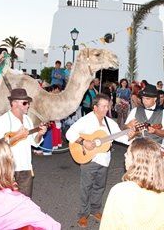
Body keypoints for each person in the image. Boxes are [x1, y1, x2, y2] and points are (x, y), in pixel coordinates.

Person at [66, 93, 134, 228]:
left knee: (99, 187)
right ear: (95, 107)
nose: (105, 109)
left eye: (107, 106)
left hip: (104, 160)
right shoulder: (85, 120)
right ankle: (83, 215)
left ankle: (95, 210)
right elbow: (69, 133)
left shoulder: (110, 123)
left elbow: (120, 138)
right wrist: (84, 141)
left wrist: (130, 135)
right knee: (86, 188)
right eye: (102, 106)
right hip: (89, 159)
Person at [100, 138, 164, 230]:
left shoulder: (120, 191)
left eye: (128, 154)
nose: (124, 155)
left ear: (137, 162)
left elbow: (108, 226)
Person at [0, 88, 47, 197]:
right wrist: (16, 137)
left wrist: (40, 133)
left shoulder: (27, 120)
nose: (28, 105)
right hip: (8, 170)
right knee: (7, 203)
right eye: (25, 103)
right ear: (14, 103)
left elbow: (34, 143)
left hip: (25, 168)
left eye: (28, 103)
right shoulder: (3, 120)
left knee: (25, 202)